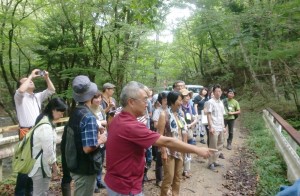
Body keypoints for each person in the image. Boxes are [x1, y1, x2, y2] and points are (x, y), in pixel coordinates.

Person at [104, 81, 213, 196]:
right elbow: (166, 140)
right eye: (145, 100)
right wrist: (198, 150)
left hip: (117, 182)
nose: (147, 104)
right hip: (125, 187)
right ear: (131, 102)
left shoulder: (117, 118)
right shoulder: (131, 126)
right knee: (168, 176)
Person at [14, 69, 55, 196]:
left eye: (31, 80)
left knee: (36, 162)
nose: (30, 81)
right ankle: (20, 192)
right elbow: (21, 90)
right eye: (26, 81)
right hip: (26, 132)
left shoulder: (36, 97)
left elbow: (51, 90)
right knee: (26, 163)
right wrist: (30, 75)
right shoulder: (19, 97)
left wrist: (47, 78)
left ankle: (31, 191)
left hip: (37, 132)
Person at [65, 75, 107, 196]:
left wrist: (95, 127)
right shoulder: (88, 116)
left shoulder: (76, 111)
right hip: (85, 168)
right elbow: (88, 148)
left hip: (75, 163)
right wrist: (101, 139)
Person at [28, 97, 67, 195]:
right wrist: (55, 168)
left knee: (40, 192)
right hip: (40, 166)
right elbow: (48, 151)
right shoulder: (45, 126)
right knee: (40, 192)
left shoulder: (43, 119)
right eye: (61, 112)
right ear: (53, 109)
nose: (62, 115)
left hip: (38, 164)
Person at [206, 84, 227, 172]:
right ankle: (210, 163)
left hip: (220, 127)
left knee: (220, 145)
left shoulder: (221, 102)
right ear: (213, 92)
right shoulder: (210, 102)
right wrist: (211, 127)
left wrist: (223, 127)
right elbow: (208, 115)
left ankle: (215, 161)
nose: (218, 93)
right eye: (216, 91)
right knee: (213, 146)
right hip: (214, 127)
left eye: (219, 91)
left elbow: (222, 115)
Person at [90, 91, 107, 193]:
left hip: (103, 136)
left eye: (100, 97)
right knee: (94, 160)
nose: (98, 100)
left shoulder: (100, 108)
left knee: (101, 160)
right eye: (96, 98)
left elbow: (105, 121)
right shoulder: (89, 109)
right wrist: (101, 123)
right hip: (95, 137)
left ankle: (99, 180)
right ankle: (94, 183)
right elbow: (92, 123)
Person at [180, 89, 198, 178]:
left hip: (189, 131)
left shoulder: (190, 106)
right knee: (181, 150)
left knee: (188, 150)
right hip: (181, 132)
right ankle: (179, 168)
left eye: (188, 95)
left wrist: (191, 124)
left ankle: (186, 170)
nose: (188, 97)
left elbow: (195, 118)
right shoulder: (179, 107)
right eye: (186, 96)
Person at [152, 92, 168, 187]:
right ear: (160, 101)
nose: (166, 101)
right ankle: (159, 180)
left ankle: (167, 178)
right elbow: (155, 125)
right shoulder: (157, 111)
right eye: (164, 100)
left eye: (167, 99)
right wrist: (164, 122)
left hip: (169, 137)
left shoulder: (170, 110)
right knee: (159, 159)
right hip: (160, 137)